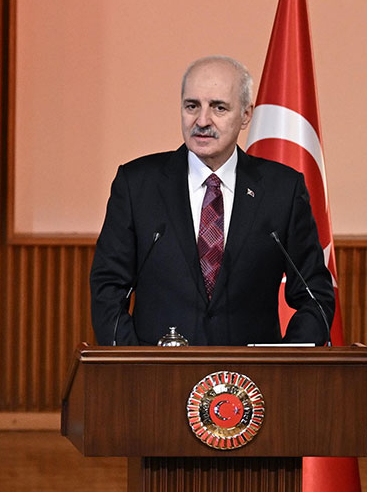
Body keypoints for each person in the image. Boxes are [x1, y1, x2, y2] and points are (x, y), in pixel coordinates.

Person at [89, 55, 335, 346]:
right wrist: (136, 366)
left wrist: (283, 365)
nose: (202, 121)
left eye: (219, 107)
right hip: (156, 381)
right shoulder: (137, 185)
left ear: (246, 115)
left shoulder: (282, 190)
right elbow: (108, 290)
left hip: (252, 384)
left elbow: (314, 295)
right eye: (192, 106)